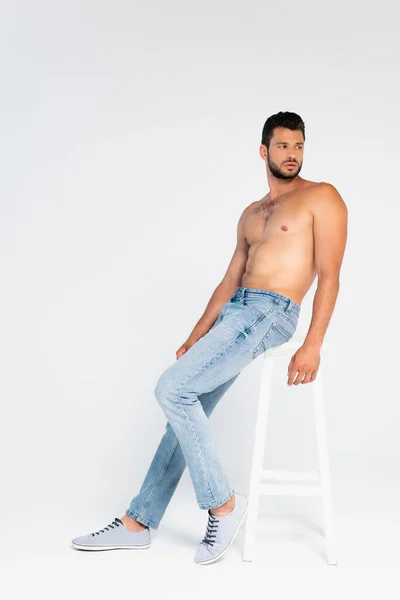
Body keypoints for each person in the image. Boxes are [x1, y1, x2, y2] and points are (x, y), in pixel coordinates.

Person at [71, 111, 348, 565]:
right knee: (183, 406)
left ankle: (224, 504)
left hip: (272, 311)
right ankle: (138, 522)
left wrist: (313, 342)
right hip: (236, 313)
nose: (292, 154)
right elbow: (228, 281)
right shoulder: (251, 214)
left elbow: (331, 275)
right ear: (264, 152)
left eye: (298, 146)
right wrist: (196, 335)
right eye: (282, 146)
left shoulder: (322, 197)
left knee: (172, 390)